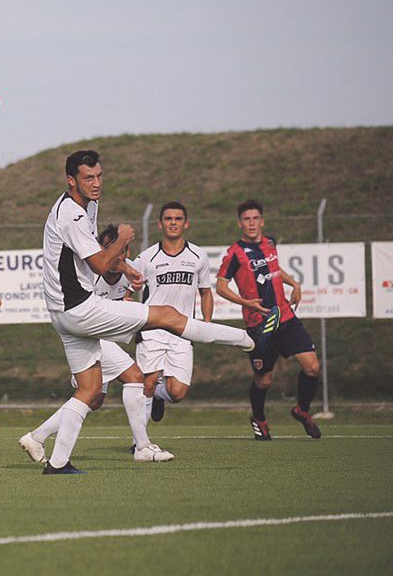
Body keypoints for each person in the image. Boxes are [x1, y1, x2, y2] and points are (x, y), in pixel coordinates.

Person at [34, 150, 254, 475]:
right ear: (71, 180)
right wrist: (122, 239)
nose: (96, 184)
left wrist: (122, 263)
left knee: (91, 391)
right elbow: (97, 263)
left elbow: (91, 256)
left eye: (99, 176)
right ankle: (246, 339)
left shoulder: (85, 205)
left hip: (63, 313)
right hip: (80, 307)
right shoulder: (72, 215)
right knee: (165, 314)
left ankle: (57, 462)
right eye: (88, 178)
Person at [20, 224, 174, 464]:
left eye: (122, 250)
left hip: (101, 336)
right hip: (88, 333)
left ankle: (36, 437)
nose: (118, 256)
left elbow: (124, 297)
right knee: (134, 376)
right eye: (109, 249)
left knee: (93, 399)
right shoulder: (89, 271)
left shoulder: (128, 272)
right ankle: (142, 447)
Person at [216, 199, 323, 441]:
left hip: (285, 317)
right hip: (259, 324)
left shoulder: (270, 242)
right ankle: (259, 419)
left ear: (261, 221)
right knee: (264, 381)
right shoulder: (235, 253)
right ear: (240, 223)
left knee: (313, 368)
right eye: (246, 219)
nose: (251, 223)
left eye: (255, 218)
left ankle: (302, 411)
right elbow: (220, 287)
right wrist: (247, 303)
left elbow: (274, 267)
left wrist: (294, 283)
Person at [131, 201, 215, 424]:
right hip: (151, 331)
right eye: (168, 219)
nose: (173, 223)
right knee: (147, 383)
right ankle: (140, 442)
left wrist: (205, 324)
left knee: (177, 392)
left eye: (178, 219)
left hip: (182, 333)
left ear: (186, 224)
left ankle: (159, 396)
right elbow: (127, 291)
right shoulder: (146, 257)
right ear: (160, 224)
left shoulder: (198, 256)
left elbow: (206, 293)